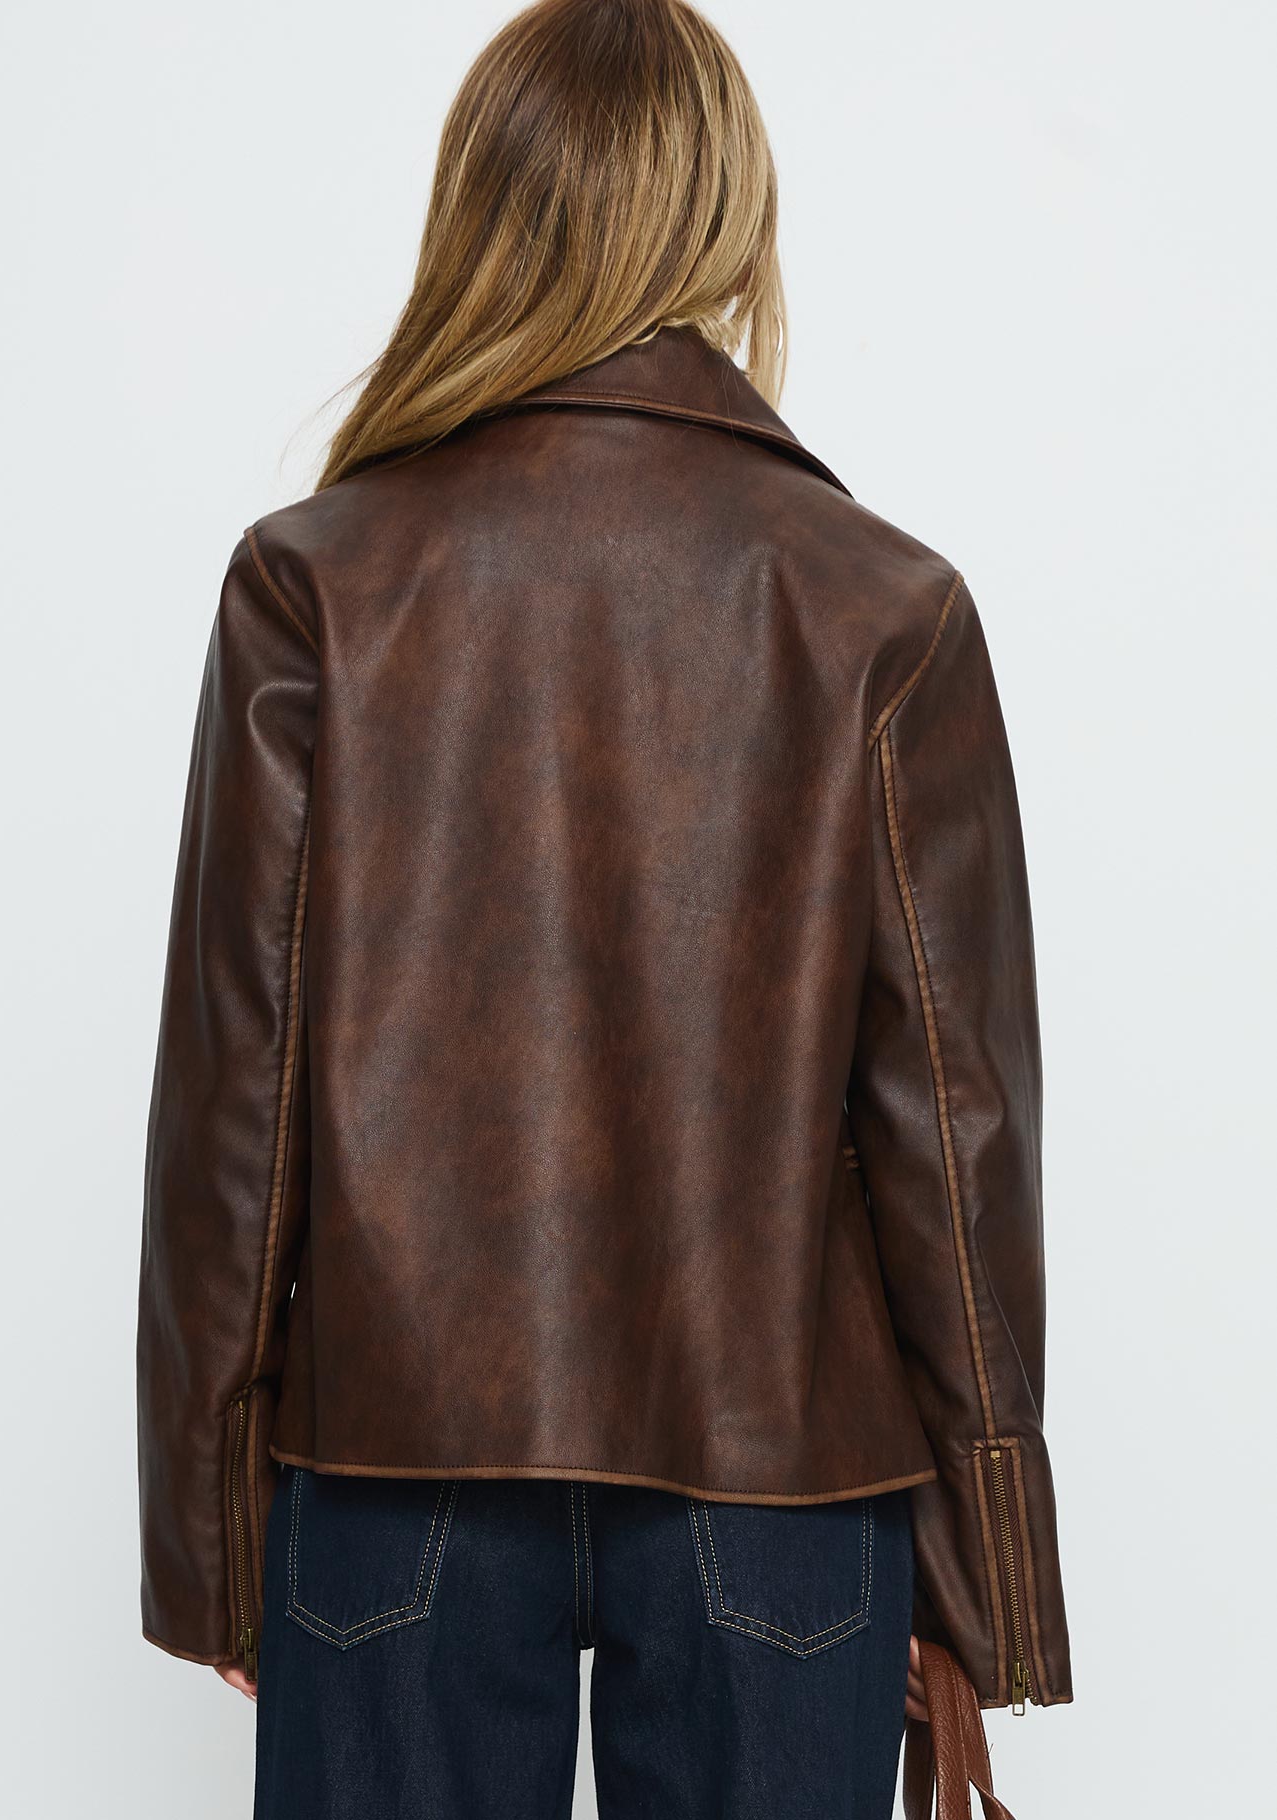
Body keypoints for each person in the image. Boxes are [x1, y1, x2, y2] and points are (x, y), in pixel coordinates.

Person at [137, 1, 1072, 1814]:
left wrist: (212, 1526)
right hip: (783, 1483)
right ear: (726, 213)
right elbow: (955, 1145)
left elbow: (235, 1113)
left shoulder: (318, 584)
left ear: (480, 207)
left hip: (393, 1465)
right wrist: (981, 1567)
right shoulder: (878, 605)